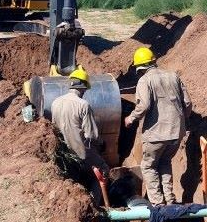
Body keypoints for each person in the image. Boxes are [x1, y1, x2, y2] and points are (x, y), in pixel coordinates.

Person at [124, 47, 192, 206]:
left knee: (148, 166)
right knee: (165, 162)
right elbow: (187, 103)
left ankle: (157, 203)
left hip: (156, 134)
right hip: (176, 133)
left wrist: (131, 118)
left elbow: (144, 105)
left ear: (139, 68)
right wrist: (182, 120)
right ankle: (169, 199)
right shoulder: (173, 76)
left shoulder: (144, 80)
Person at [51, 67, 110, 200]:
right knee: (103, 171)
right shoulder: (83, 105)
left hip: (64, 153)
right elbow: (91, 135)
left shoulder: (55, 103)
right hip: (82, 152)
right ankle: (95, 204)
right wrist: (102, 144)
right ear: (82, 87)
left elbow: (54, 128)